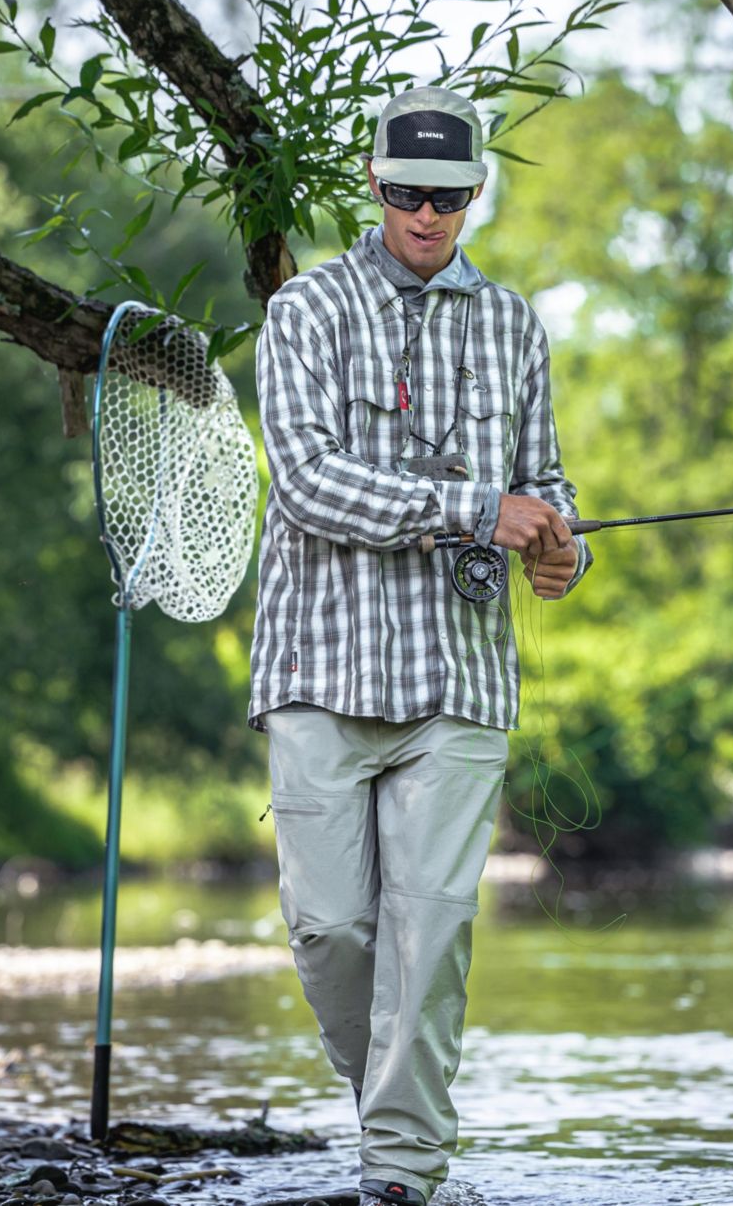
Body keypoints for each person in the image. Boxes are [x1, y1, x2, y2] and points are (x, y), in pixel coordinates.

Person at [249, 85, 591, 1206]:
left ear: (475, 193)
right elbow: (302, 478)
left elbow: (542, 484)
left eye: (448, 196)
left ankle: (400, 1174)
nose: (427, 214)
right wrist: (467, 510)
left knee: (430, 933)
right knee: (331, 928)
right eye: (406, 192)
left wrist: (559, 543)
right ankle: (398, 1109)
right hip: (317, 669)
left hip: (459, 675)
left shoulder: (513, 321)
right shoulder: (303, 310)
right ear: (372, 181)